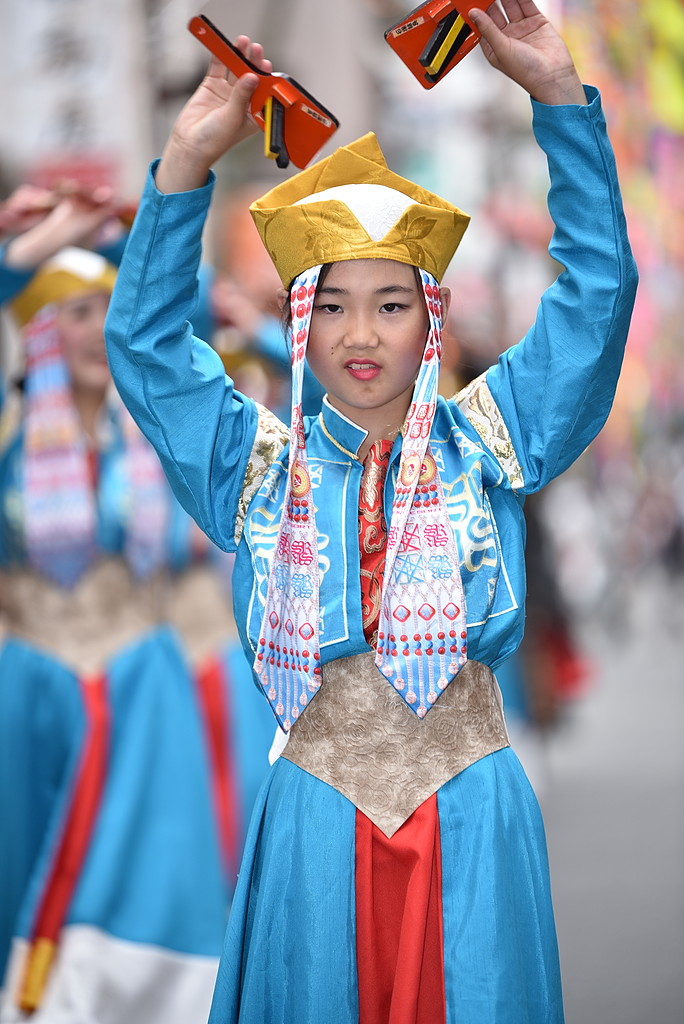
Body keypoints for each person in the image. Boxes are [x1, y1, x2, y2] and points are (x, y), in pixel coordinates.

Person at [104, 1, 638, 1021]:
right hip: (314, 827)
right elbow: (146, 347)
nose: (361, 334)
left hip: (472, 818)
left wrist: (560, 99)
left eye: (392, 304)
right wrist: (187, 161)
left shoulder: (491, 439)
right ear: (298, 325)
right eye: (333, 305)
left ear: (432, 321)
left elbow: (597, 299)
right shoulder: (256, 470)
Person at [0, 199, 275, 1023]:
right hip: (33, 685)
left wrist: (127, 231)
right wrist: (33, 247)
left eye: (105, 311)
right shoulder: (10, 437)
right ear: (40, 328)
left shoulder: (150, 434)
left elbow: (187, 304)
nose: (95, 331)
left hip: (143, 689)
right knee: (27, 874)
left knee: (156, 883)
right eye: (74, 312)